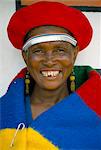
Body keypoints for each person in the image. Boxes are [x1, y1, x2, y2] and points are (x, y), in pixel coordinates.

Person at [0, 1, 101, 149]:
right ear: (25, 56)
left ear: (74, 54)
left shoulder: (97, 113)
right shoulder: (3, 111)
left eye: (60, 50)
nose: (49, 61)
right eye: (38, 51)